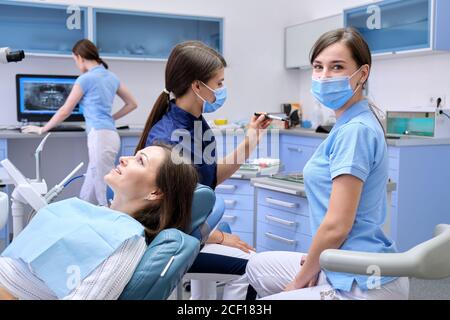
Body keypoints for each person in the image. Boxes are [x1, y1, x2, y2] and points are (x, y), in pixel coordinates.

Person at [245, 28, 410, 300]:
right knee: (256, 266)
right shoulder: (347, 122)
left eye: (337, 67)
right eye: (318, 67)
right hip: (341, 261)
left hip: (362, 281)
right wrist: (315, 258)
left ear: (363, 73)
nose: (324, 76)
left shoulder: (355, 130)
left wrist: (299, 280)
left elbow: (337, 226)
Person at [136, 41, 272, 300]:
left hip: (189, 229)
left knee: (245, 254)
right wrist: (216, 237)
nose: (222, 90)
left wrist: (251, 138)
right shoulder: (170, 141)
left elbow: (209, 179)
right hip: (172, 239)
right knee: (254, 269)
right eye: (219, 84)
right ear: (197, 86)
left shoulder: (195, 123)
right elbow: (168, 218)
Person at [0, 144, 198, 300]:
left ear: (155, 192)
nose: (123, 158)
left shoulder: (127, 241)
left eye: (140, 161)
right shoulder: (97, 212)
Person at [22, 39, 138, 206]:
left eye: (74, 60)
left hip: (99, 136)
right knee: (91, 182)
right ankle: (81, 211)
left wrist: (42, 129)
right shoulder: (112, 77)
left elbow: (65, 110)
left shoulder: (85, 79)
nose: (76, 64)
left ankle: (110, 217)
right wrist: (111, 118)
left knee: (102, 187)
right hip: (110, 135)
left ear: (80, 57)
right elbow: (132, 104)